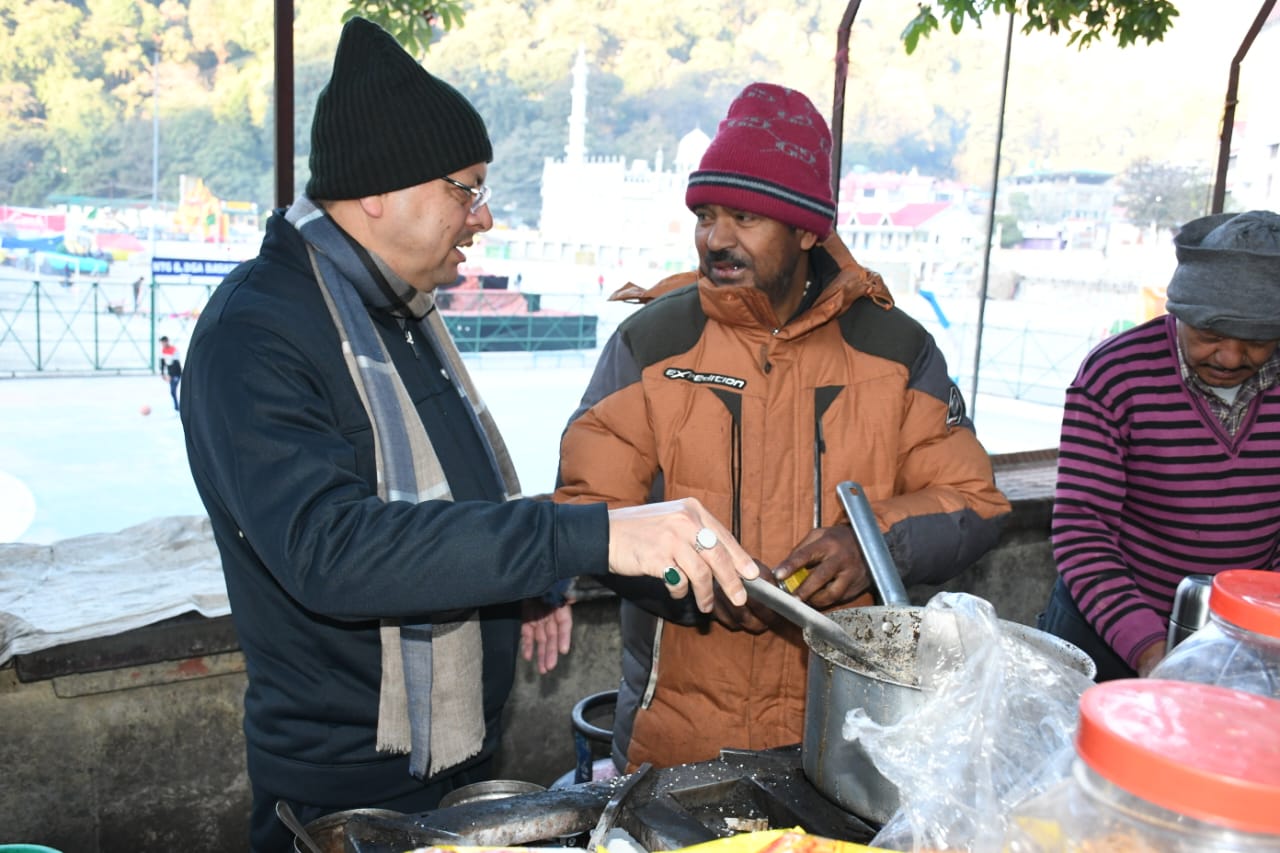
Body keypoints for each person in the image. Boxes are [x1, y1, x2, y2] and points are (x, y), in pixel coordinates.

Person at [178, 19, 757, 853]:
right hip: (342, 786)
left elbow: (451, 497)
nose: (482, 216)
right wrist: (586, 534)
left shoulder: (396, 313)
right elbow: (332, 547)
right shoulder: (258, 332)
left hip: (450, 757)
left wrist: (522, 576)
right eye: (466, 188)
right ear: (378, 189)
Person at [553, 82, 1011, 771]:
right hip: (674, 743)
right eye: (706, 215)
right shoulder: (650, 345)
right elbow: (586, 511)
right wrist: (693, 577)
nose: (716, 237)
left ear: (805, 230)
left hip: (848, 742)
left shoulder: (898, 350)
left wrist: (873, 543)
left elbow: (974, 500)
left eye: (744, 217)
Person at [1041, 209, 1280, 681]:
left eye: (1257, 340)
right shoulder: (1115, 376)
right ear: (1179, 315)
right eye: (1209, 335)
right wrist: (1153, 651)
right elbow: (1082, 529)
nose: (1231, 357)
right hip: (1107, 633)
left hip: (1245, 642)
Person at [158, 335, 182, 411]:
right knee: (172, 392)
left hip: (176, 373)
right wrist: (162, 373)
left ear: (167, 341)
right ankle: (176, 407)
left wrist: (171, 375)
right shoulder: (163, 351)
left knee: (173, 390)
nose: (162, 344)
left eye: (163, 342)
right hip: (170, 374)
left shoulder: (173, 350)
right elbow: (162, 363)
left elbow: (176, 364)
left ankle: (178, 407)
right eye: (161, 343)